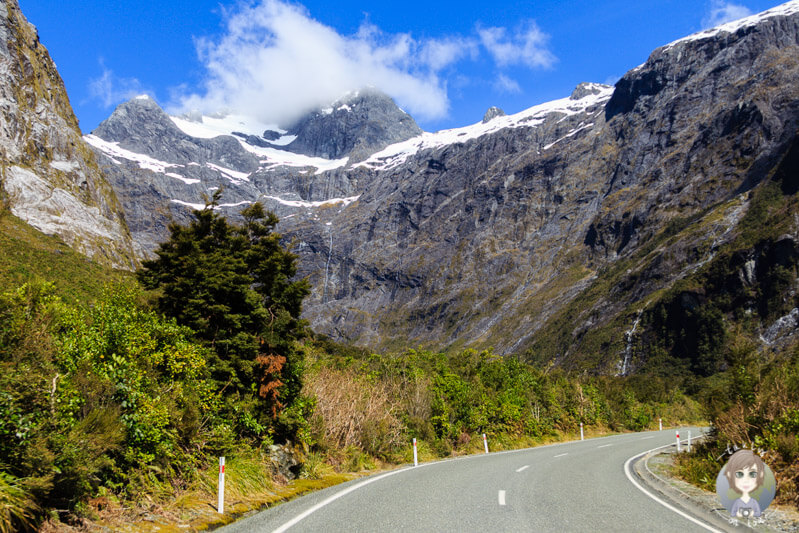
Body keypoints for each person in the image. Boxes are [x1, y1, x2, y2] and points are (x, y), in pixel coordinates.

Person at [724, 449, 765, 518]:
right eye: (739, 474)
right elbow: (733, 513)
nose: (746, 480)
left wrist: (751, 514)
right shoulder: (737, 502)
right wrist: (738, 514)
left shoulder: (754, 502)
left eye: (752, 474)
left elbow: (758, 513)